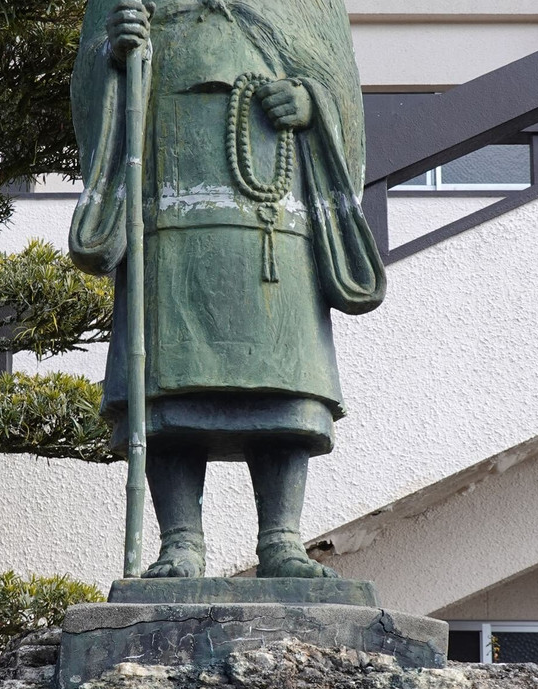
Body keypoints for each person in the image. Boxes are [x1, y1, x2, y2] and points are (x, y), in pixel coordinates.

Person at [69, 0, 385, 579]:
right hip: (164, 208)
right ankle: (181, 543)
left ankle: (282, 540)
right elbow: (90, 85)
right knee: (168, 393)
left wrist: (314, 103)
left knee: (284, 383)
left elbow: (341, 86)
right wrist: (115, 57)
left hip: (274, 214)